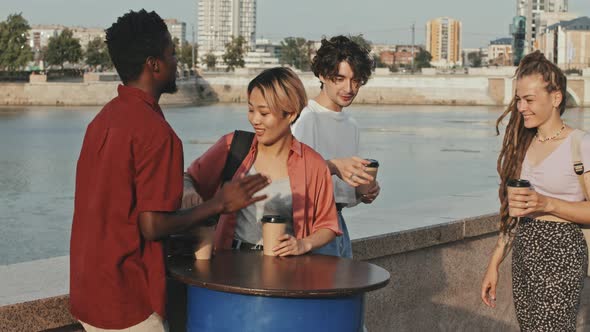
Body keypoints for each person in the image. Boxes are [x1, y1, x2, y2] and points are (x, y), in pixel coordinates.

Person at [69, 10, 269, 331]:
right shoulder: (156, 133)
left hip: (88, 291)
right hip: (127, 301)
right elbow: (152, 226)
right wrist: (219, 204)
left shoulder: (103, 120)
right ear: (154, 64)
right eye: (172, 53)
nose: (177, 61)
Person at [481, 51, 589, 331]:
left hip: (562, 249)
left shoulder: (580, 144)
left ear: (555, 98)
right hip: (524, 249)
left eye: (529, 99)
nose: (521, 107)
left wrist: (545, 203)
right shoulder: (523, 145)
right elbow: (515, 212)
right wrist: (494, 263)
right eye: (518, 99)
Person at [183, 67, 341, 255]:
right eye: (251, 109)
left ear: (290, 114)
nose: (255, 119)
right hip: (228, 267)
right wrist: (188, 191)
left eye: (264, 113)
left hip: (284, 273)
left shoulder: (313, 164)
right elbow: (189, 177)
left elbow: (328, 225)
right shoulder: (233, 146)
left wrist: (303, 244)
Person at [291, 35, 380, 258]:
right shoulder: (306, 118)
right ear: (322, 75)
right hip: (310, 225)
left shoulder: (351, 125)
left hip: (338, 223)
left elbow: (344, 192)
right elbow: (293, 176)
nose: (348, 88)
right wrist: (333, 166)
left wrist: (364, 191)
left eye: (356, 80)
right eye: (339, 78)